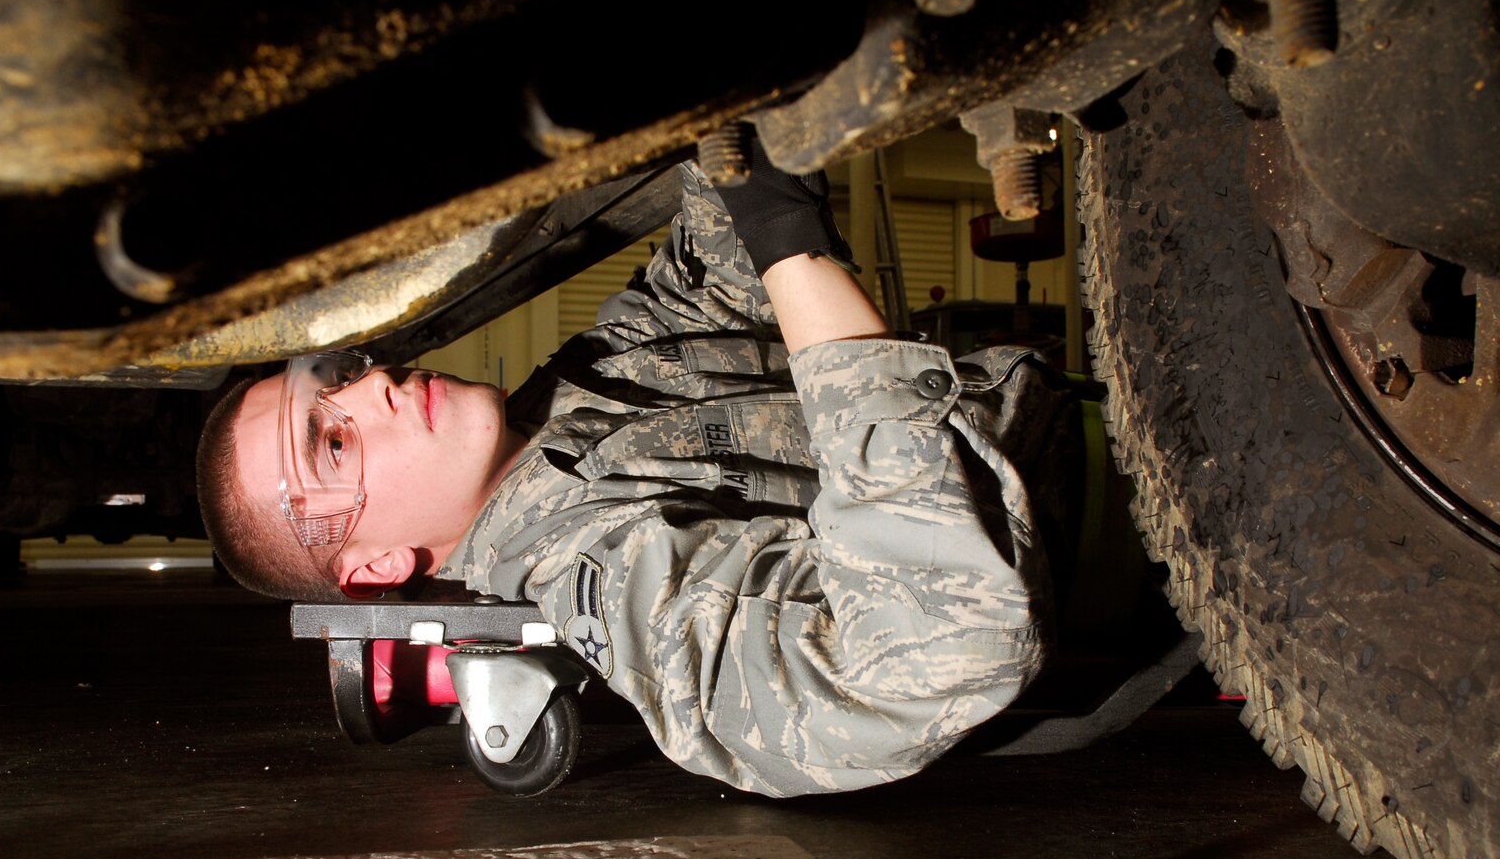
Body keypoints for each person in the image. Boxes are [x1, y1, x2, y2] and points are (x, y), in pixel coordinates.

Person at [197, 140, 1079, 795]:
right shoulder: (612, 581)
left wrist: (734, 125)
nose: (377, 386)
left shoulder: (570, 401)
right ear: (381, 567)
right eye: (334, 443)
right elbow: (937, 651)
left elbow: (713, 281)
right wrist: (788, 244)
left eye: (342, 378)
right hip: (1140, 530)